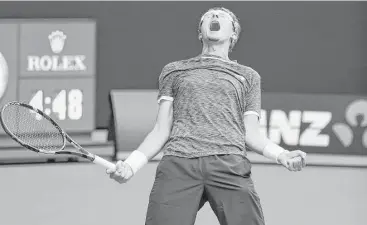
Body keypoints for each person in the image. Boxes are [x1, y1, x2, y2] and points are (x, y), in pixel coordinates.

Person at [107, 7, 307, 225]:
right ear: (200, 33)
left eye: (222, 16)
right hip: (179, 164)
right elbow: (161, 129)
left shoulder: (248, 77)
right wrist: (131, 165)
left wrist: (282, 155)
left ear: (233, 34)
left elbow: (251, 134)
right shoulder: (174, 71)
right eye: (208, 16)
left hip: (229, 163)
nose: (214, 16)